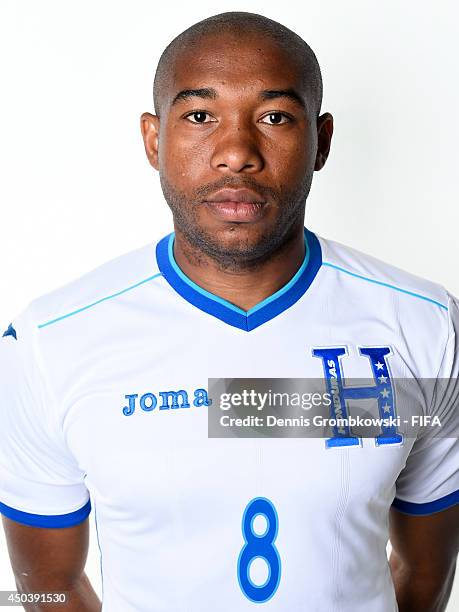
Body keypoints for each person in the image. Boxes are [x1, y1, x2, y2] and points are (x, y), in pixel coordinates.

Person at [1, 10, 458, 612]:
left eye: (273, 117)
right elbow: (48, 588)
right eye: (198, 116)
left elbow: (426, 571)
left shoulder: (424, 324)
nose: (236, 153)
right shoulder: (49, 341)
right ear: (153, 139)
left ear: (321, 140)